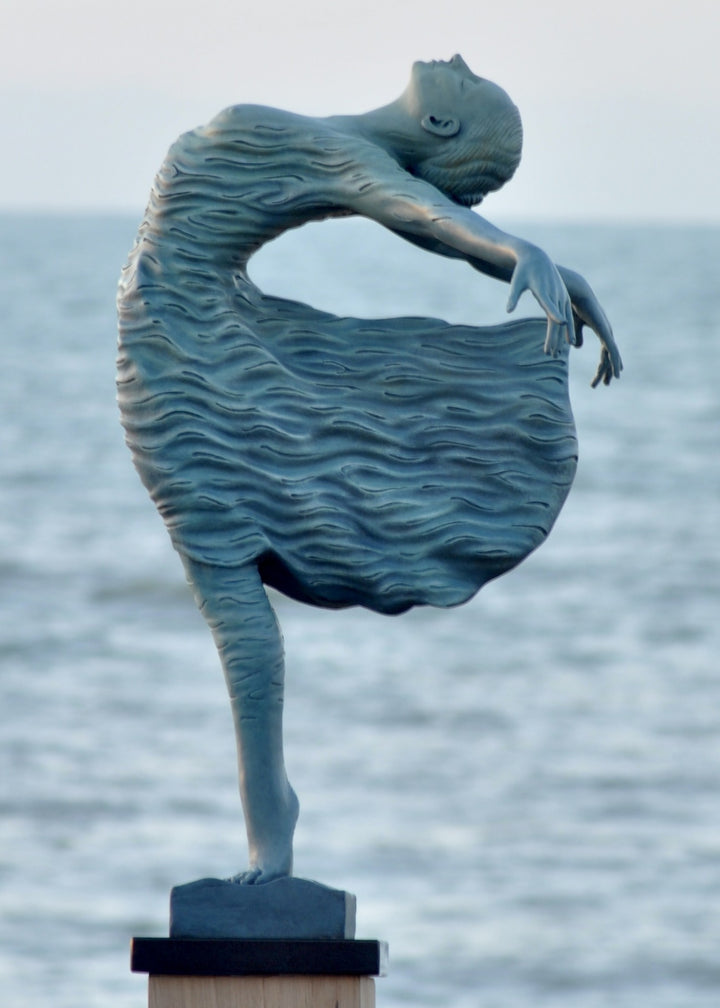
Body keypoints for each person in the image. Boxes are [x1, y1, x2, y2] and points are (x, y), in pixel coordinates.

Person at [118, 55, 621, 884]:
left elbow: (418, 212)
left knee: (233, 598)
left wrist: (520, 252)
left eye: (471, 84)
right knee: (230, 593)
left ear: (441, 123)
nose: (458, 61)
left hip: (184, 362)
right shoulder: (341, 153)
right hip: (185, 353)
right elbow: (421, 213)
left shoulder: (343, 157)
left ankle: (269, 823)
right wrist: (546, 270)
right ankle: (269, 816)